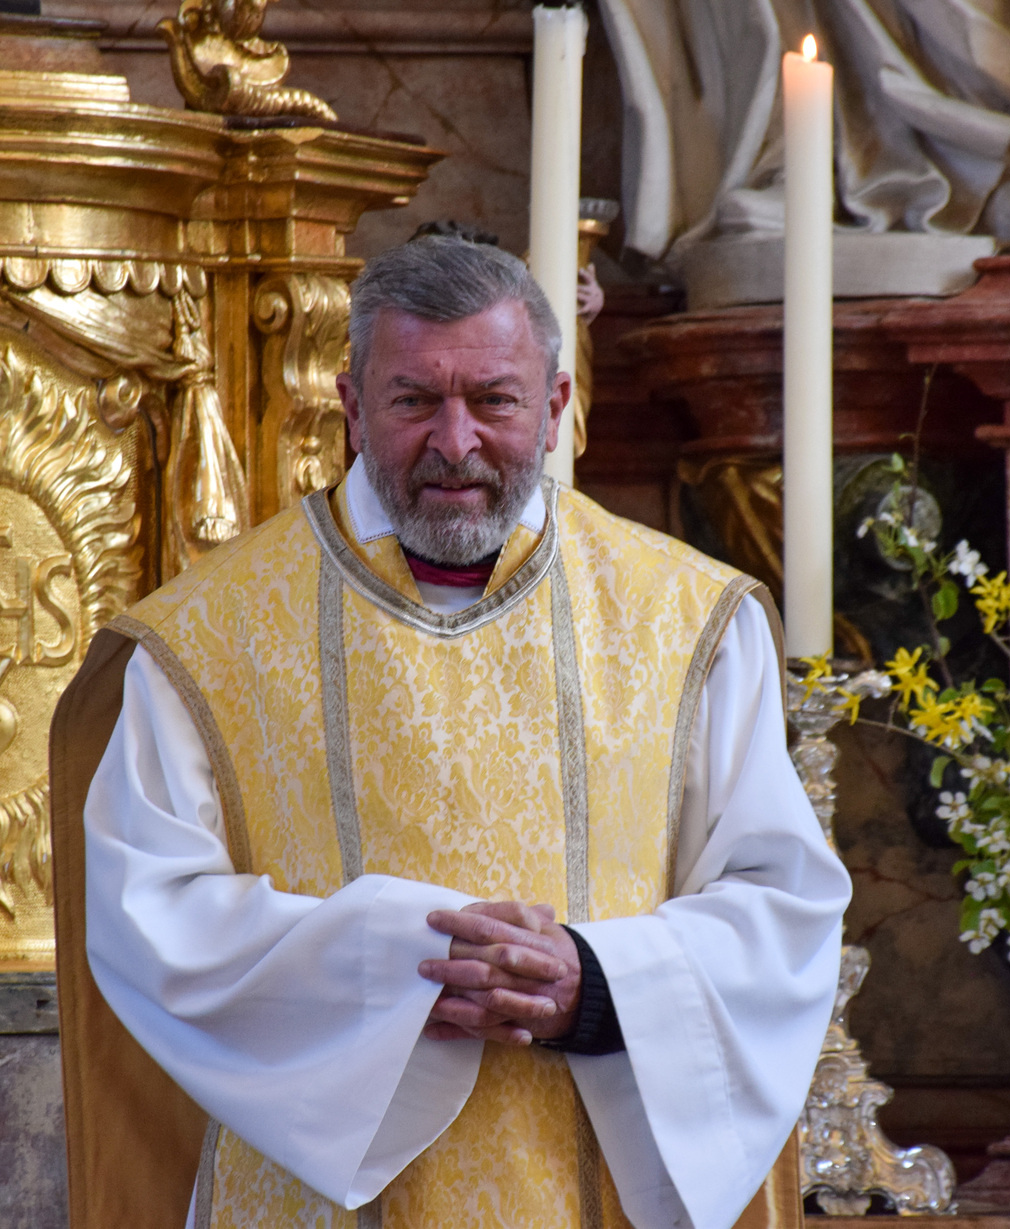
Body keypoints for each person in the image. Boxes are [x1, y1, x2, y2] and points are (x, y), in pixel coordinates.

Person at [52, 236, 850, 1229]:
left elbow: (779, 904)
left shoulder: (688, 621)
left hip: (587, 1186)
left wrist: (598, 985)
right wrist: (395, 968)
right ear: (351, 406)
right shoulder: (204, 638)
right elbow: (148, 918)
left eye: (495, 400)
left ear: (555, 406)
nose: (455, 441)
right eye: (414, 400)